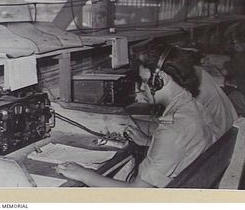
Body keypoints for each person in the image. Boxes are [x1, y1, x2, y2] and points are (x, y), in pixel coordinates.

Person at [55, 46, 216, 187]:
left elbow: (135, 193)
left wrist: (84, 174)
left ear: (162, 80)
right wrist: (147, 142)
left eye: (145, 81)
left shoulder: (172, 130)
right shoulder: (194, 107)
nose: (142, 88)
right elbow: (182, 148)